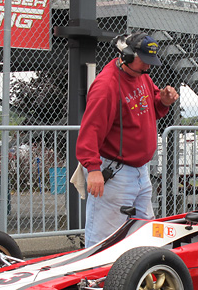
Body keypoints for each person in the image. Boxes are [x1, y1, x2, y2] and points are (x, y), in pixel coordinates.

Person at [76, 31, 179, 248]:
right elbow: (90, 130)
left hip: (140, 170)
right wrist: (93, 169)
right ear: (128, 56)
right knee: (103, 239)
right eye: (144, 62)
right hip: (115, 172)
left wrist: (164, 101)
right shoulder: (106, 86)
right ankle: (96, 279)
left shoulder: (142, 76)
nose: (148, 67)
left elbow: (151, 108)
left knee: (146, 234)